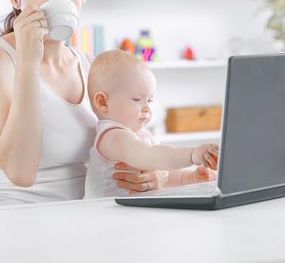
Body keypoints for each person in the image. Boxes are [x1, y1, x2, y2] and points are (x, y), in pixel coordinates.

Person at [0, 0, 168, 206]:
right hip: (16, 223)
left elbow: (125, 143)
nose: (55, 1)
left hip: (86, 219)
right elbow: (20, 172)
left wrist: (155, 175)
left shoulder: (90, 65)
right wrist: (28, 61)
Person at [85, 49, 219, 198]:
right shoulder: (113, 136)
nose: (147, 108)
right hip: (106, 217)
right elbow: (150, 156)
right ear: (103, 102)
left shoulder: (139, 135)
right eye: (137, 99)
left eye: (149, 100)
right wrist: (192, 154)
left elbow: (162, 173)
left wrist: (189, 178)